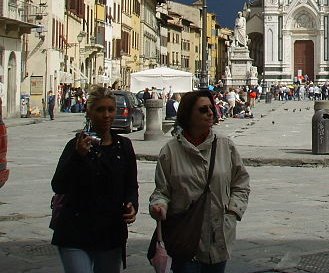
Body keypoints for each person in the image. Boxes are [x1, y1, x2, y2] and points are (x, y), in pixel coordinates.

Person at [149, 89, 250, 272]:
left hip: (218, 237)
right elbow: (161, 191)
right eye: (203, 110)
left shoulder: (225, 146)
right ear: (188, 115)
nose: (211, 112)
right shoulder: (170, 151)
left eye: (211, 108)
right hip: (185, 238)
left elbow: (241, 183)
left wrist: (233, 212)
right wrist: (159, 205)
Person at [51, 85, 138, 273]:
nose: (106, 115)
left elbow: (131, 185)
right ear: (89, 113)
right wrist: (78, 156)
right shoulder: (76, 145)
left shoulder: (124, 146)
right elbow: (58, 185)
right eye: (100, 110)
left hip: (110, 232)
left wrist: (132, 205)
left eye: (110, 109)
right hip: (76, 230)